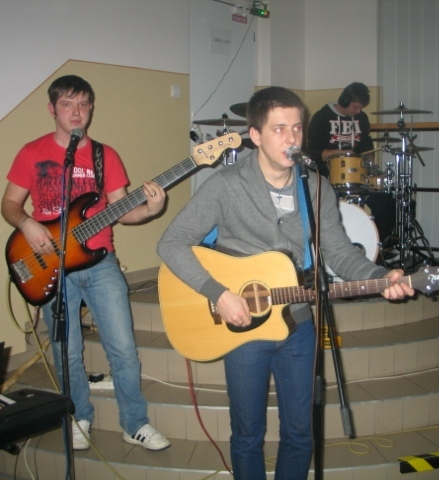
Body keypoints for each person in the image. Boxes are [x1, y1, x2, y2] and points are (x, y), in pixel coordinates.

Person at [156, 86, 414, 479]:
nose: (291, 138)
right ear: (255, 135)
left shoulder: (315, 186)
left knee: (300, 432)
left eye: (296, 128)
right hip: (241, 325)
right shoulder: (226, 185)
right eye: (279, 129)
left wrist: (382, 277)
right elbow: (171, 242)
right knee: (248, 434)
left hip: (299, 323)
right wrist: (218, 294)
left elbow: (340, 253)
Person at [0, 75, 170, 451]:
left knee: (123, 348)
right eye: (67, 104)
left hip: (99, 264)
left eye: (83, 104)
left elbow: (123, 210)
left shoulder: (104, 155)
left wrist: (151, 209)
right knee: (67, 352)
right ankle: (78, 416)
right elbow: (9, 204)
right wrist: (27, 223)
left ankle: (135, 423)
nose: (76, 112)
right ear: (52, 109)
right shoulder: (31, 152)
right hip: (48, 266)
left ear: (91, 108)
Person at [306, 81, 375, 178]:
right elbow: (314, 152)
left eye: (361, 108)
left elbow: (367, 148)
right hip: (325, 174)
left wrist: (371, 170)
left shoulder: (362, 118)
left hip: (355, 174)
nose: (359, 111)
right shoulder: (321, 117)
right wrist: (342, 154)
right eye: (356, 107)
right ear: (344, 101)